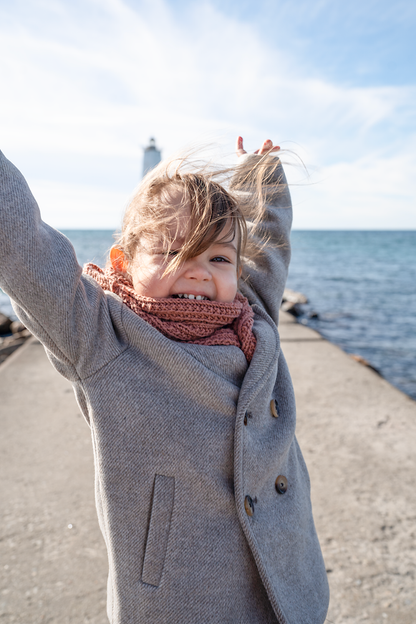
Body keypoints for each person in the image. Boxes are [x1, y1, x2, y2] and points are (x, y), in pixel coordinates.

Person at [0, 137, 329, 624]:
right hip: (180, 598)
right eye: (172, 252)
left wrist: (261, 175)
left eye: (218, 259)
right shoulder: (100, 336)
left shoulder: (253, 313)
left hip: (289, 575)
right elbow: (23, 245)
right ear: (122, 264)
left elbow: (269, 243)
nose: (197, 272)